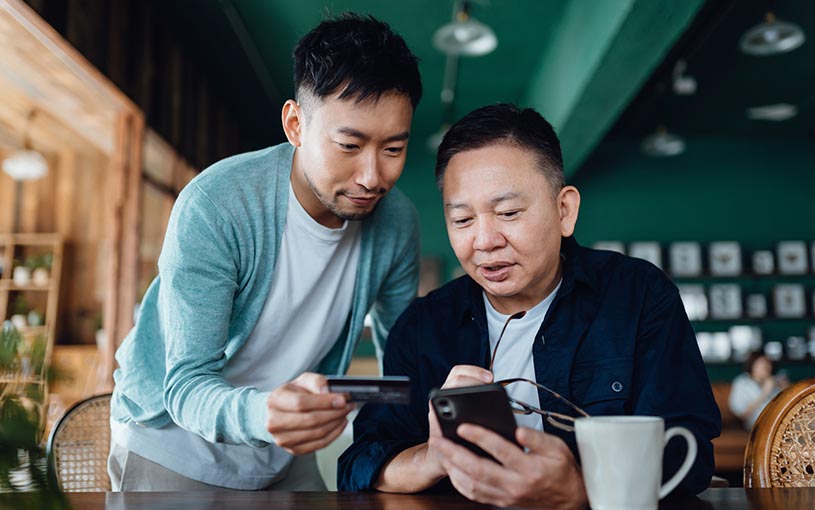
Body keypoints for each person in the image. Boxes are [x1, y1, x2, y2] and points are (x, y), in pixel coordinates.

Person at [338, 104, 721, 508]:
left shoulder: (638, 295)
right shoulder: (421, 328)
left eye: (508, 213)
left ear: (564, 211)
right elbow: (359, 464)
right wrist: (435, 457)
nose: (485, 241)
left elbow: (689, 449)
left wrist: (580, 489)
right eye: (463, 220)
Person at [108, 14, 422, 491]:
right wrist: (264, 413)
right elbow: (185, 384)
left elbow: (402, 359)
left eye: (394, 149)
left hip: (284, 451)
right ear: (295, 124)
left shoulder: (397, 224)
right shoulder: (217, 204)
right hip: (170, 442)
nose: (372, 176)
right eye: (349, 145)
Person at [729, 351, 789, 430]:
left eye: (768, 364)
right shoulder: (742, 383)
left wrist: (787, 389)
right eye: (761, 364)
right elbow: (742, 415)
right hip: (757, 425)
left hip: (781, 421)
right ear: (752, 366)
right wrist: (765, 392)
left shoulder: (775, 380)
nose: (766, 367)